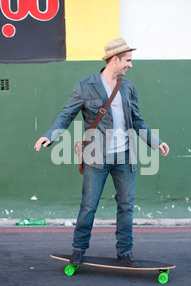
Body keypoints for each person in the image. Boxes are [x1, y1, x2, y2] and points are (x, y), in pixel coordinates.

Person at [34, 38, 169, 267]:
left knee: (126, 205)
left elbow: (137, 120)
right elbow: (66, 115)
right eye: (127, 60)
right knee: (89, 205)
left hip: (125, 156)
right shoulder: (85, 86)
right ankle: (78, 249)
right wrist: (51, 135)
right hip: (96, 155)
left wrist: (155, 142)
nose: (130, 65)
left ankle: (124, 252)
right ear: (114, 59)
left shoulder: (127, 87)